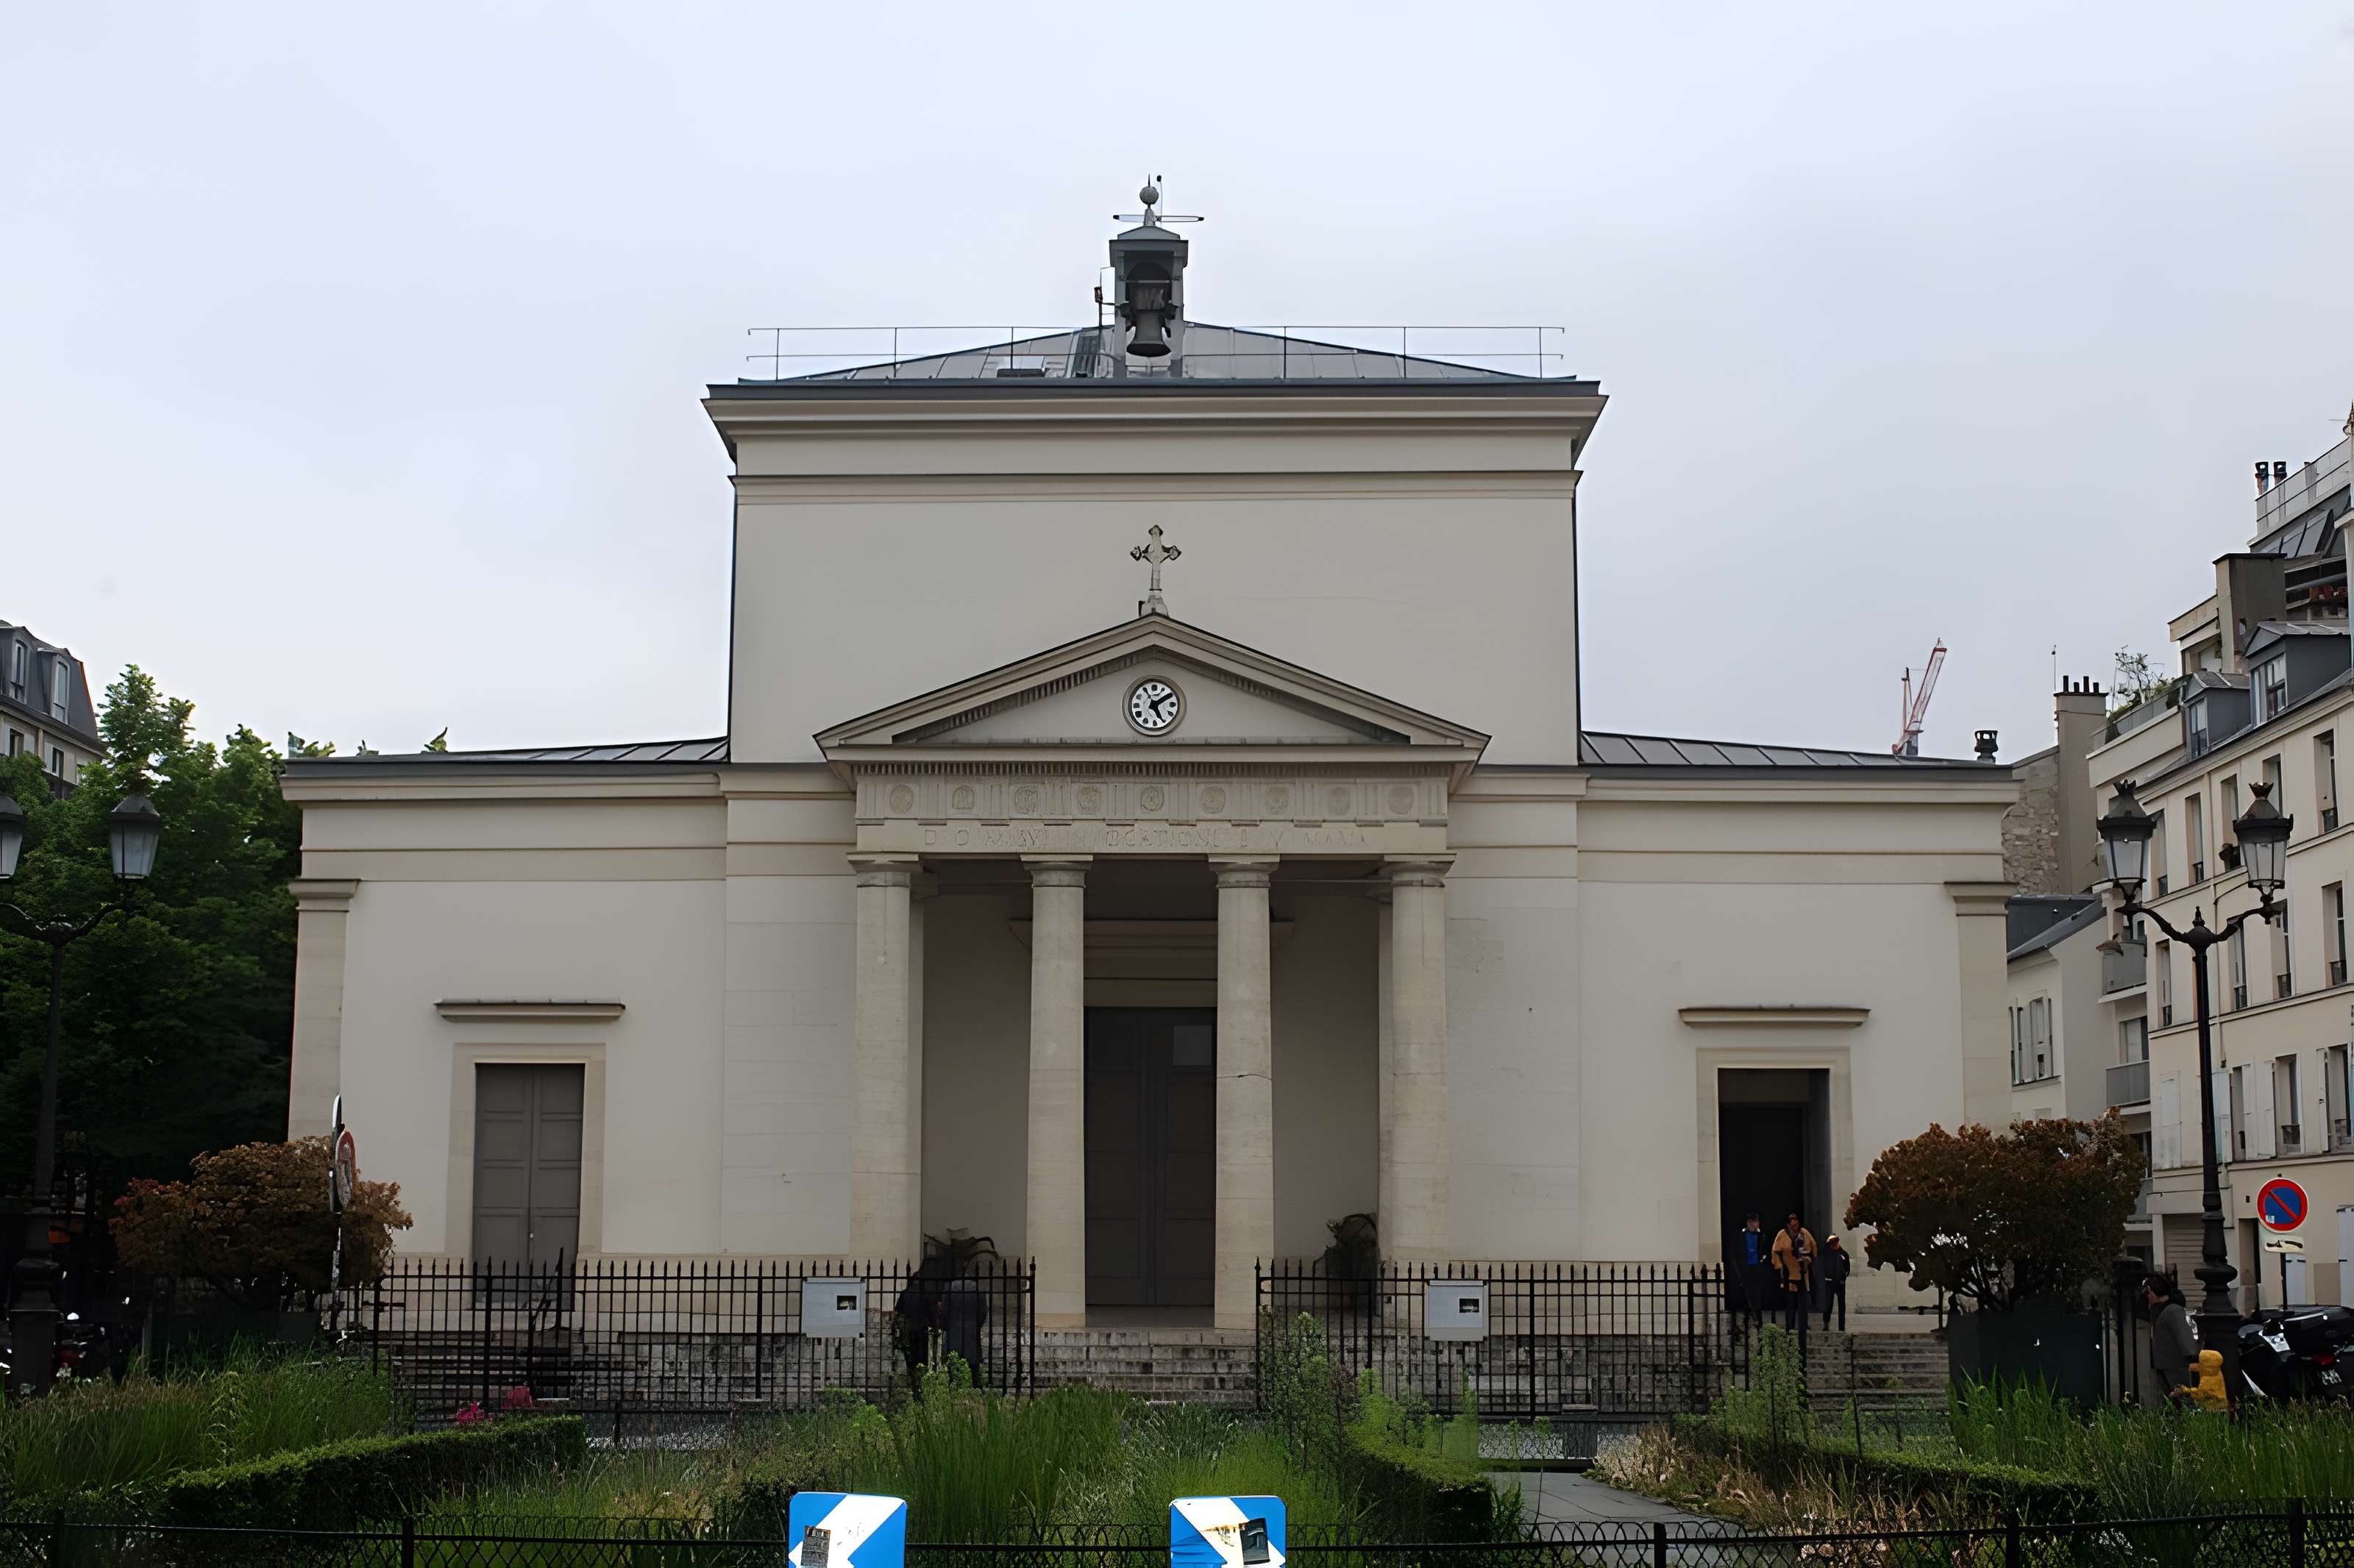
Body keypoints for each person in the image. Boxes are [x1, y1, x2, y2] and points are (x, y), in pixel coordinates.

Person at [2144, 1272, 2200, 1402]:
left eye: (2148, 1293)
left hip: (2176, 1364)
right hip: (2168, 1363)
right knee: (2177, 1400)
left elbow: (2183, 1335)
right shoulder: (2165, 1310)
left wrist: (2191, 1356)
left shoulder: (2172, 1310)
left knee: (2183, 1400)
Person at [1771, 1212, 1817, 1336]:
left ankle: (1803, 1326)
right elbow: (1775, 1252)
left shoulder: (1805, 1234)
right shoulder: (1782, 1235)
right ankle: (1789, 1328)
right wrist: (1779, 1267)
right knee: (1790, 1303)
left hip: (1803, 1273)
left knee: (1803, 1302)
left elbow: (1814, 1248)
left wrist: (1808, 1260)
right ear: (1788, 1225)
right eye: (1792, 1225)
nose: (1795, 1227)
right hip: (1788, 1274)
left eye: (1796, 1224)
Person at [1735, 1212, 1771, 1320]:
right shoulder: (1742, 1235)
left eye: (1755, 1222)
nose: (1754, 1225)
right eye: (1751, 1222)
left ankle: (1758, 1316)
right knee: (1745, 1293)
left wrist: (1762, 1263)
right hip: (1745, 1269)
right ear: (1748, 1223)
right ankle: (1747, 1314)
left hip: (1757, 1268)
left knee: (1757, 1294)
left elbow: (1766, 1252)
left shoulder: (1762, 1235)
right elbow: (1737, 1252)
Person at [1819, 1233, 1852, 1331]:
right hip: (1829, 1281)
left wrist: (1843, 1278)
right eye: (1831, 1244)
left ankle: (1842, 1327)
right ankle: (1826, 1323)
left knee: (1842, 1306)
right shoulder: (1826, 1252)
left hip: (1840, 1283)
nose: (1833, 1246)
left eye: (1834, 1243)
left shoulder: (1844, 1254)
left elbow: (1847, 1269)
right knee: (1828, 1305)